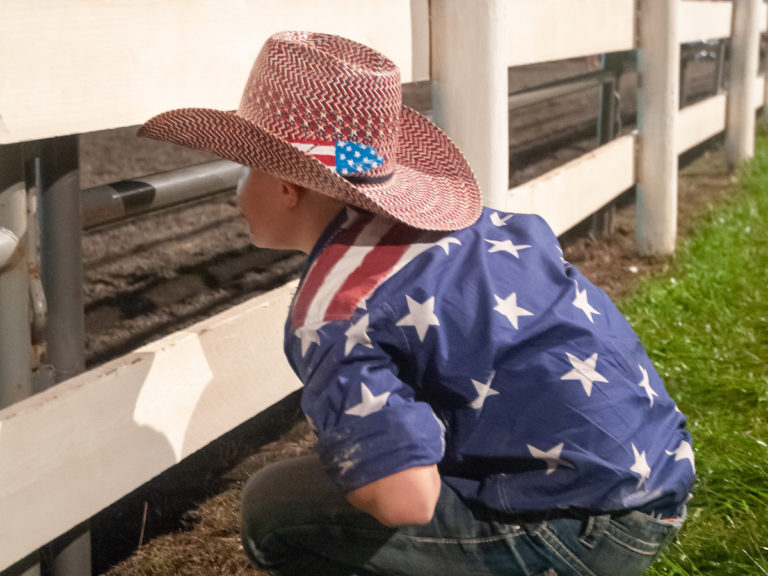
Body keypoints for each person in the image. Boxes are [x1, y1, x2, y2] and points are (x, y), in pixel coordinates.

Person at [139, 31, 695, 576]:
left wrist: (356, 452)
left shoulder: (336, 308)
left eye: (247, 165)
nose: (236, 189)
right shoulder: (481, 228)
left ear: (288, 184)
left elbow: (408, 501)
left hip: (573, 527)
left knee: (275, 505)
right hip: (658, 479)